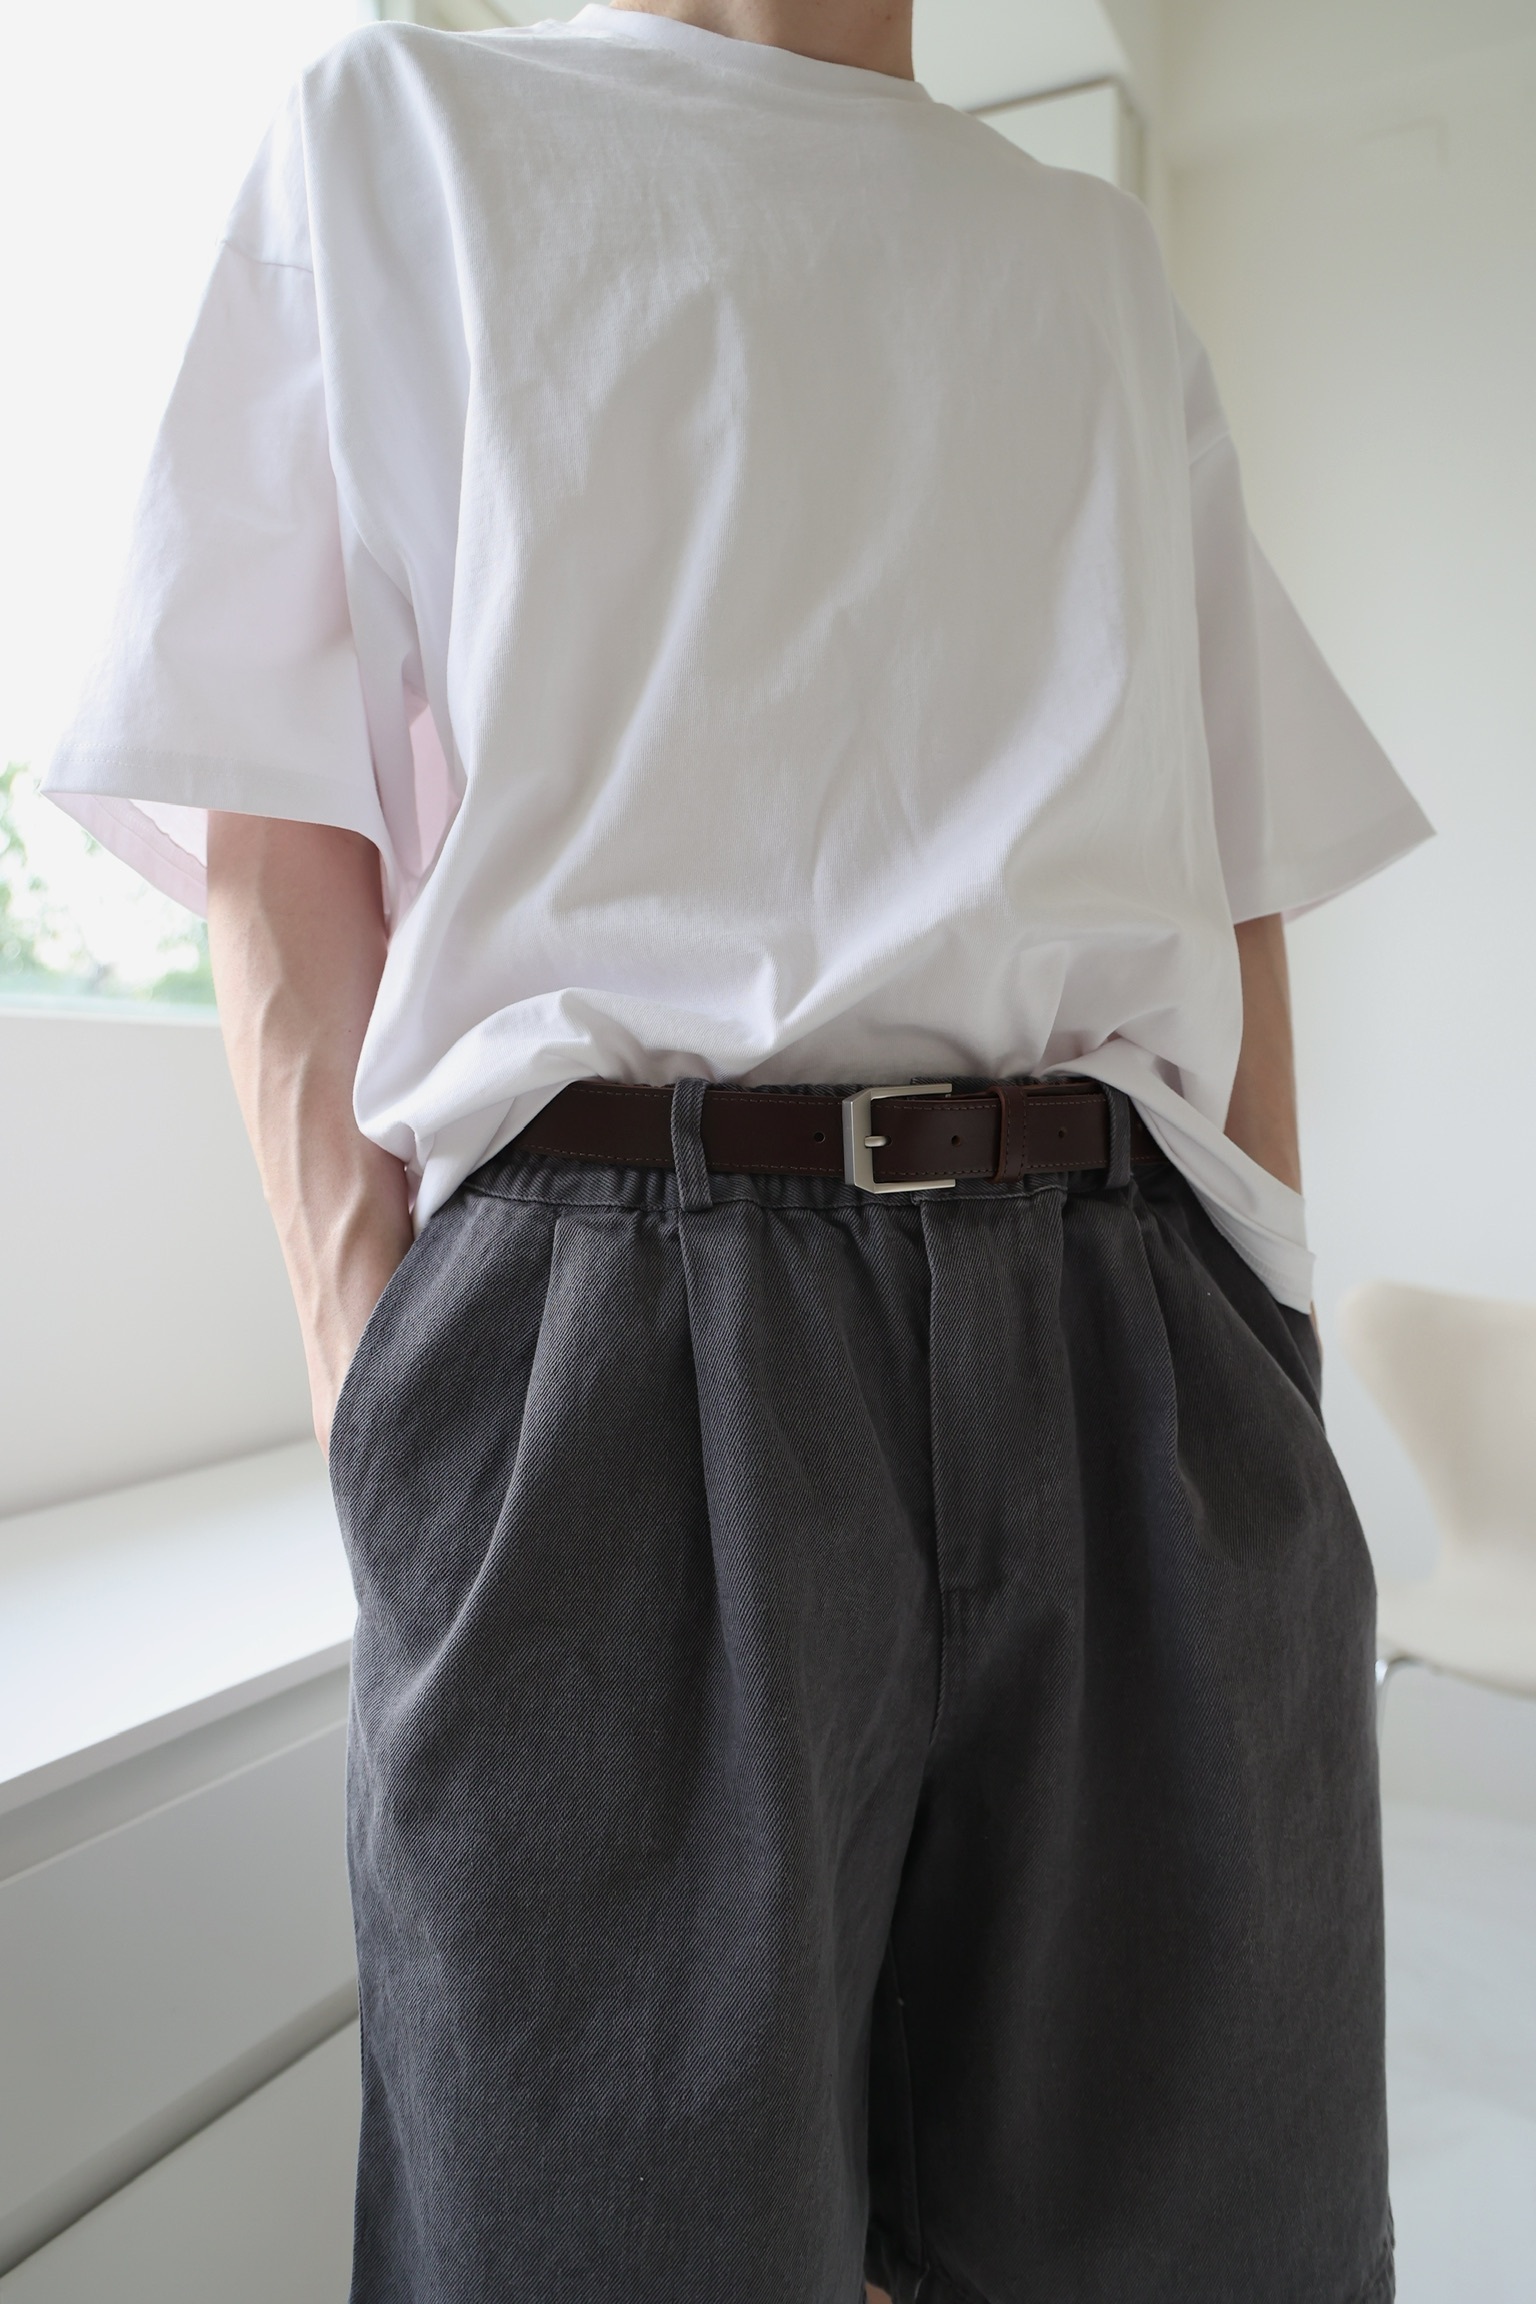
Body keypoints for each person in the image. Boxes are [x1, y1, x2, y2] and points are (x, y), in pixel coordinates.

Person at [46, 2, 1431, 2296]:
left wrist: (1261, 1325)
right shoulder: (404, 129)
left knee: (1213, 2239)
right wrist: (388, 1398)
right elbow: (268, 820)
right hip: (614, 1349)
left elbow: (1236, 842)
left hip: (1130, 1332)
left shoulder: (1086, 258)